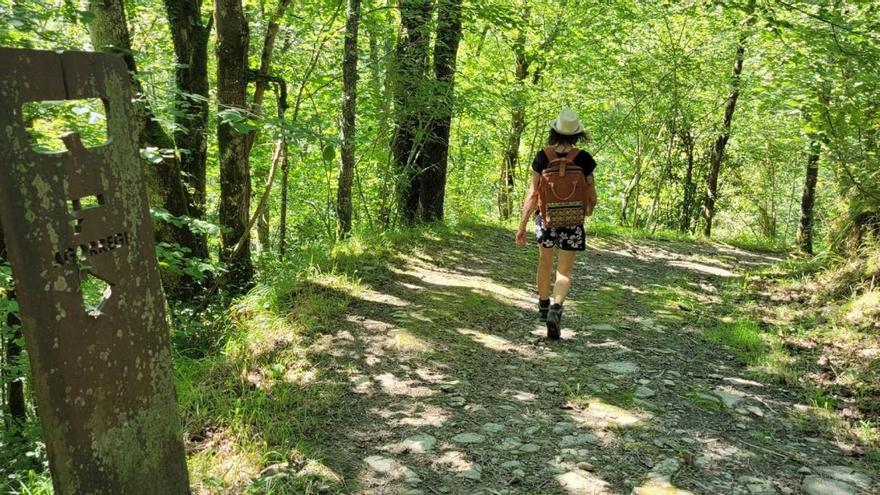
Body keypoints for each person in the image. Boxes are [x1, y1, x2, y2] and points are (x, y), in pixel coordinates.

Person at [515, 107, 597, 339]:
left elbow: (533, 193)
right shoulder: (584, 159)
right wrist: (587, 210)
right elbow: (591, 193)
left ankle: (543, 306)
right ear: (577, 134)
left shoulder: (543, 156)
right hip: (572, 221)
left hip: (546, 219)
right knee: (565, 271)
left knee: (544, 262)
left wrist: (522, 226)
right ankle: (556, 307)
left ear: (554, 131)